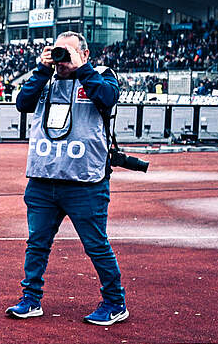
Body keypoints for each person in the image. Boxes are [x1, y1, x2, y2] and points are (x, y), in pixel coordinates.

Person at [7, 32, 129, 326]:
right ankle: (30, 299)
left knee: (96, 244)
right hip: (43, 178)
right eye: (58, 52)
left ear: (85, 54)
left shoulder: (102, 76)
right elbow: (22, 103)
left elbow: (108, 98)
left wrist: (81, 69)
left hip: (85, 180)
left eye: (68, 52)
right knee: (37, 244)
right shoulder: (45, 79)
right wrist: (42, 68)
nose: (62, 59)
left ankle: (115, 303)